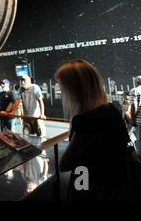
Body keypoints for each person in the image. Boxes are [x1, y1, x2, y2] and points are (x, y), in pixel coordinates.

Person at [56, 60, 132, 200]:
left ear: (75, 88)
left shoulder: (87, 120)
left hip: (92, 188)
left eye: (63, 86)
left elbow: (65, 164)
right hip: (118, 185)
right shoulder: (109, 109)